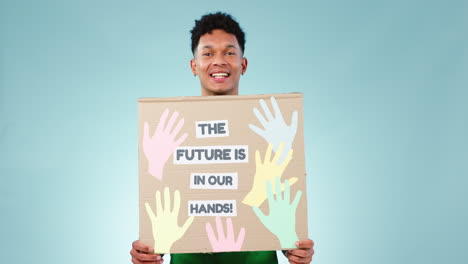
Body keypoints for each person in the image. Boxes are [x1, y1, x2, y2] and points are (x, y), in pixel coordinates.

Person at [130, 12, 315, 264]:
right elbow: (164, 213)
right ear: (194, 66)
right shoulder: (172, 137)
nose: (219, 61)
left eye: (229, 52)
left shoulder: (267, 135)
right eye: (208, 53)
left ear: (244, 64)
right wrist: (148, 250)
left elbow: (281, 211)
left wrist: (294, 246)